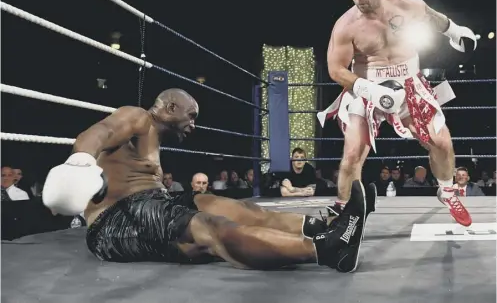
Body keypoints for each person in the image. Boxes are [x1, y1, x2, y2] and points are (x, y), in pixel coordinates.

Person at [42, 88, 376, 273]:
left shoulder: (153, 142)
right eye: (191, 116)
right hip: (116, 222)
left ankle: (325, 228)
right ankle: (328, 250)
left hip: (154, 204)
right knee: (209, 226)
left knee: (237, 208)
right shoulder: (137, 117)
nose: (194, 125)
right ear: (170, 107)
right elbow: (96, 133)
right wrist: (80, 163)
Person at [319, 0, 476, 226]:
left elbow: (431, 16)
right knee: (353, 151)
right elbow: (335, 69)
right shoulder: (345, 25)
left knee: (442, 142)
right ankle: (343, 209)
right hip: (366, 89)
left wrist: (454, 31)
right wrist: (368, 89)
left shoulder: (406, 2)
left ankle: (447, 191)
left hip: (410, 85)